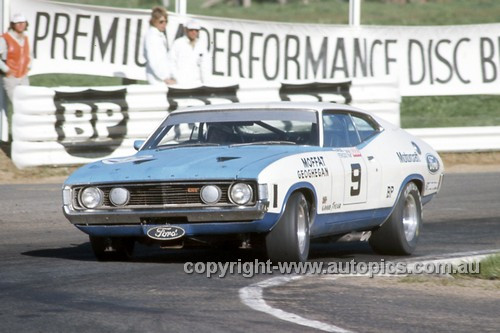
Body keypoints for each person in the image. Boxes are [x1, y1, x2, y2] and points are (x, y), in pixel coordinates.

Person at [0, 13, 31, 101]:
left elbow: (29, 54)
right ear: (13, 25)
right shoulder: (5, 38)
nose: (21, 25)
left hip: (23, 76)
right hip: (11, 78)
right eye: (18, 23)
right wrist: (6, 70)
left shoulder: (25, 38)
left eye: (23, 22)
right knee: (17, 104)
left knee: (26, 103)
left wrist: (29, 66)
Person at [170, 19, 209, 86]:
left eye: (196, 30)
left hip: (197, 84)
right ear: (186, 30)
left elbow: (205, 66)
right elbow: (171, 62)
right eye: (191, 30)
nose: (194, 32)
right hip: (181, 84)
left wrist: (206, 83)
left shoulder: (201, 45)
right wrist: (177, 79)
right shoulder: (178, 43)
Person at [143, 6, 176, 85]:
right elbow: (153, 60)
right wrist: (164, 78)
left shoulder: (159, 35)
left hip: (163, 77)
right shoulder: (152, 37)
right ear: (154, 21)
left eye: (165, 21)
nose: (164, 24)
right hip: (157, 79)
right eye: (161, 22)